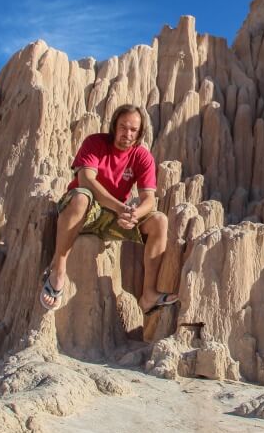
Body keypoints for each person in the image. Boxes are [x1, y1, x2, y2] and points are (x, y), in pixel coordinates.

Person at [40, 103, 177, 314]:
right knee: (81, 197)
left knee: (159, 221)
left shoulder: (142, 157)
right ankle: (58, 271)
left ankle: (149, 294)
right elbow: (85, 180)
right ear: (114, 126)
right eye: (123, 127)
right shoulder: (95, 143)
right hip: (82, 212)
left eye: (133, 129)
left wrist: (134, 214)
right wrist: (121, 207)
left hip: (114, 217)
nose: (127, 133)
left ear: (140, 133)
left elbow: (148, 199)